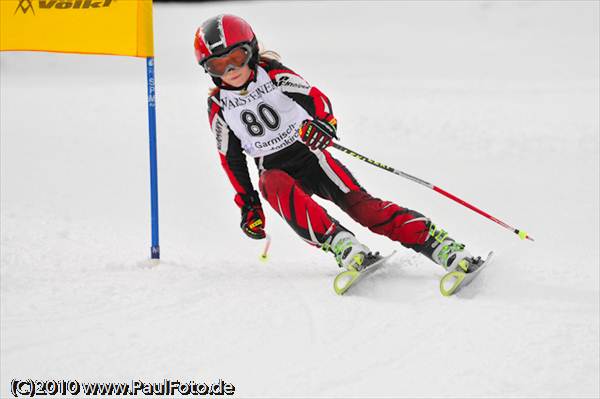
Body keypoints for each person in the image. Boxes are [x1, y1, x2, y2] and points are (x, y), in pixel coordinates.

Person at [194, 14, 483, 274]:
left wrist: (324, 125)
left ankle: (440, 245)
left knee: (365, 210)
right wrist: (249, 205)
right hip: (275, 173)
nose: (231, 69)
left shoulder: (274, 75)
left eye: (237, 57)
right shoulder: (219, 106)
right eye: (218, 64)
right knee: (270, 182)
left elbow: (317, 99)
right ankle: (342, 244)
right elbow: (230, 159)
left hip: (311, 157)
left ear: (252, 50)